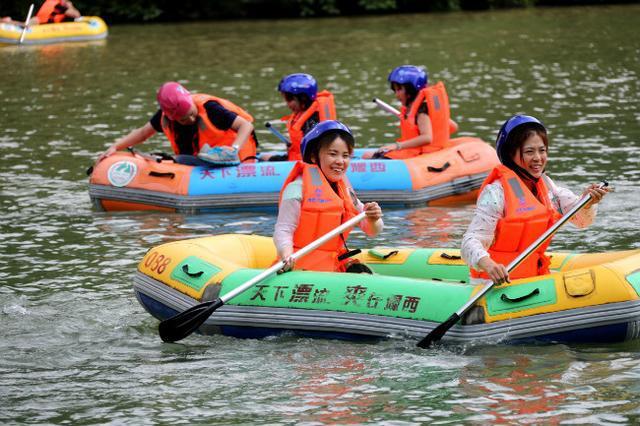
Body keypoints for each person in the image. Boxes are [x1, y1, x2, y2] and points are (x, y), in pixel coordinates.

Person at [461, 115, 609, 285]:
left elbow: (582, 222)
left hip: (533, 280)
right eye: (529, 151)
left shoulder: (549, 187)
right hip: (493, 285)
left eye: (542, 150)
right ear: (511, 155)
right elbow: (469, 242)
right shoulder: (496, 193)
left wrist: (588, 202)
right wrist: (489, 265)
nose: (538, 158)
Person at [273, 120, 383, 273]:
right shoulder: (296, 189)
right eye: (332, 154)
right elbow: (283, 229)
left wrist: (373, 219)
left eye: (345, 156)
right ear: (313, 156)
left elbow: (372, 231)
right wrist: (286, 255)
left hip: (333, 266)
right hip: (300, 268)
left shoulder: (345, 191)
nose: (340, 161)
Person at [98, 82, 257, 167]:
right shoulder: (165, 116)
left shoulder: (211, 109)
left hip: (234, 160)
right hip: (202, 162)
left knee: (177, 159)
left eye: (192, 114)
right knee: (173, 159)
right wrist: (115, 147)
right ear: (172, 117)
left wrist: (233, 150)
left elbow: (246, 126)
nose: (191, 120)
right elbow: (143, 133)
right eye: (184, 119)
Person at [363, 65, 459, 160]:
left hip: (417, 155)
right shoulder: (420, 108)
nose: (396, 94)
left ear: (411, 90)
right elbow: (453, 127)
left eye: (399, 89)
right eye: (395, 90)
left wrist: (397, 146)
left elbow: (427, 138)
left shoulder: (421, 112)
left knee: (367, 156)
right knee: (368, 155)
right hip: (417, 152)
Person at [264, 73, 337, 162]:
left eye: (289, 99)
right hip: (298, 158)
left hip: (306, 163)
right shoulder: (304, 115)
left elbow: (315, 150)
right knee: (264, 157)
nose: (287, 104)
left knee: (264, 158)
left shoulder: (314, 120)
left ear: (303, 98)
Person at [1, 0, 80, 26]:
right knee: (25, 25)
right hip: (40, 22)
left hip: (40, 20)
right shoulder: (60, 5)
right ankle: (7, 21)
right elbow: (77, 15)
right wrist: (70, 6)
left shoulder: (57, 2)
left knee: (25, 24)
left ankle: (7, 21)